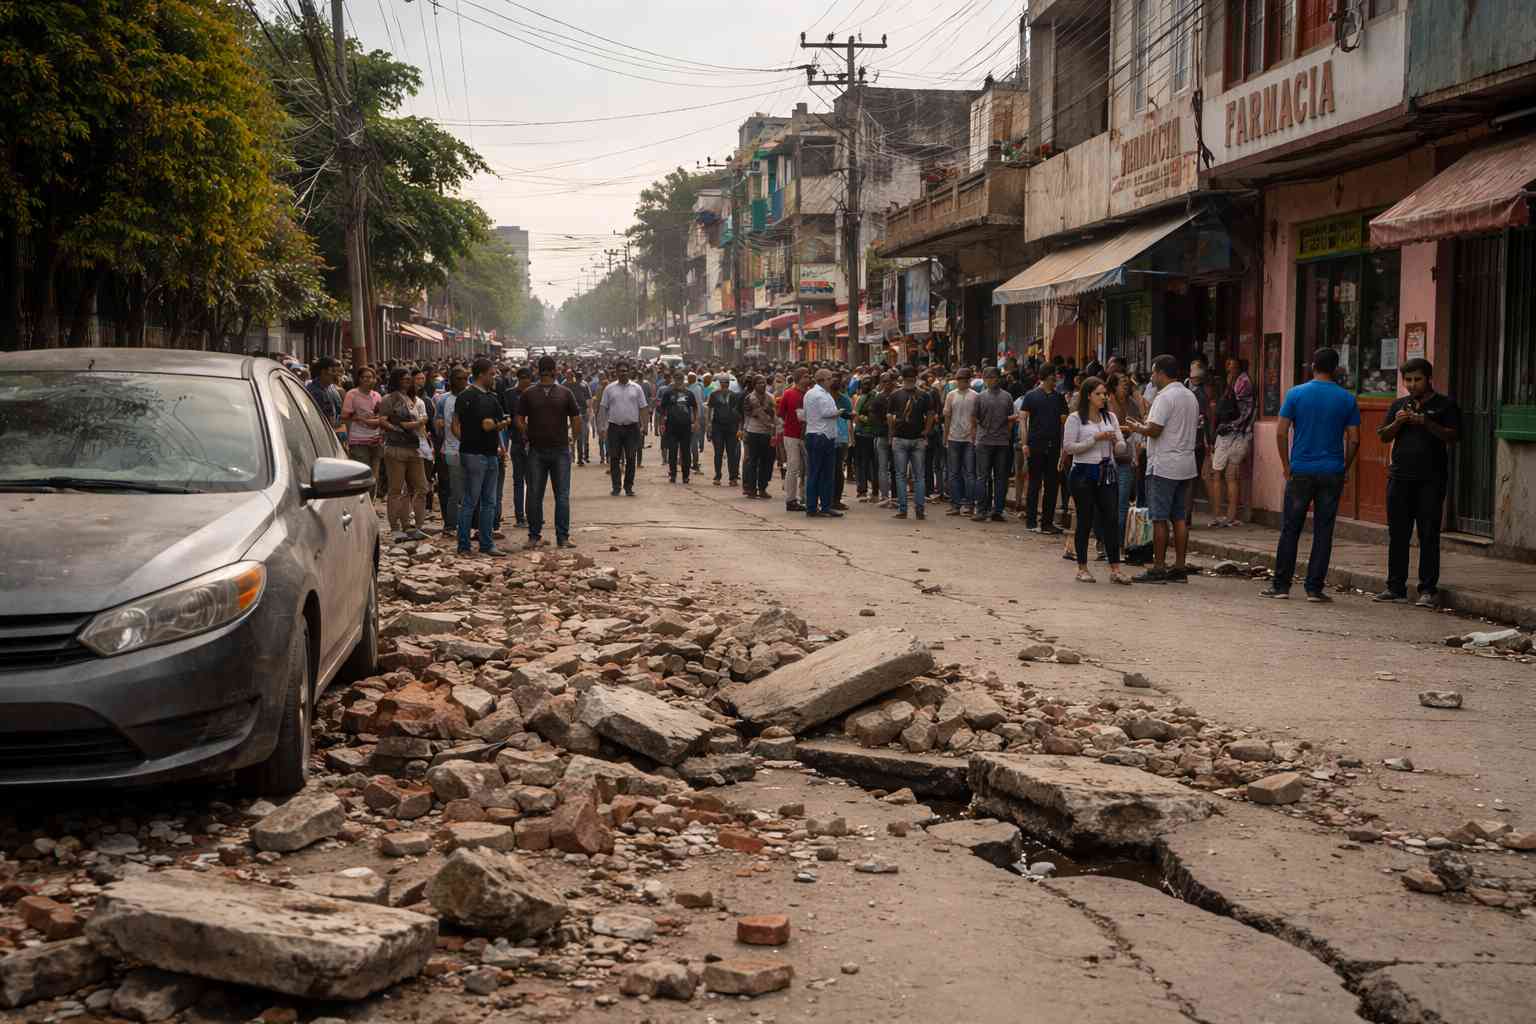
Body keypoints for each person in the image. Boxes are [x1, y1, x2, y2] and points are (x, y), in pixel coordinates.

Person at [1259, 347, 1361, 601]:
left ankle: (1281, 586)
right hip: (1332, 471)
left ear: (1313, 366)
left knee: (1290, 528)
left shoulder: (1296, 394)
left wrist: (1286, 465)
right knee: (1323, 531)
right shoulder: (1347, 398)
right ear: (1336, 369)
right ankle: (1314, 588)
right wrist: (1344, 467)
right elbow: (1354, 439)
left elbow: (1281, 432)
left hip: (1301, 470)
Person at [1374, 357, 1460, 607]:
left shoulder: (1445, 405)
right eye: (1408, 380)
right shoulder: (1399, 404)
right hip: (1400, 478)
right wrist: (1398, 422)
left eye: (1417, 379)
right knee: (1398, 534)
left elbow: (1454, 436)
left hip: (1431, 480)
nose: (1412, 384)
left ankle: (1428, 590)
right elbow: (1383, 435)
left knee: (1428, 534)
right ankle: (1395, 588)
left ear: (1428, 379)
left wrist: (1426, 422)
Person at [1125, 355, 1200, 583]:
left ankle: (1158, 567)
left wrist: (1138, 427)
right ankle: (1179, 567)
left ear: (1161, 373)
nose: (1152, 377)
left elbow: (1154, 429)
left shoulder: (1164, 397)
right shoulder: (1190, 395)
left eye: (1153, 372)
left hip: (1164, 465)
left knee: (1159, 518)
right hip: (1186, 464)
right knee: (1179, 518)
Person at [1063, 376, 1132, 584]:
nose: (1103, 397)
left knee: (1111, 519)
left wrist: (1117, 442)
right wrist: (1095, 439)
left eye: (1104, 394)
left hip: (1107, 471)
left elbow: (1121, 447)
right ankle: (1082, 567)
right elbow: (1069, 447)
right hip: (1083, 472)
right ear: (1088, 395)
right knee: (1085, 519)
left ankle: (1115, 568)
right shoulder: (1076, 418)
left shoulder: (1110, 418)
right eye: (1098, 394)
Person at [517, 355, 583, 549]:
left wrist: (527, 432)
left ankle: (534, 536)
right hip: (556, 450)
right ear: (555, 371)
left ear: (538, 371)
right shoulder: (564, 393)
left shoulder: (530, 393)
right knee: (560, 495)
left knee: (535, 494)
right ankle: (562, 537)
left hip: (540, 450)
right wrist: (573, 439)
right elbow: (577, 418)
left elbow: (518, 419)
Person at [452, 358, 512, 556]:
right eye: (491, 374)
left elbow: (500, 421)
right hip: (473, 455)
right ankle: (464, 545)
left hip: (491, 454)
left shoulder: (492, 398)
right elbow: (455, 424)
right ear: (481, 375)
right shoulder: (466, 396)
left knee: (489, 501)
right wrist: (467, 442)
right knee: (470, 501)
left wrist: (500, 431)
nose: (493, 377)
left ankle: (487, 543)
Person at [378, 367, 430, 542]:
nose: (408, 381)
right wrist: (399, 429)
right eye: (404, 379)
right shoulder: (389, 399)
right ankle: (396, 527)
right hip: (396, 447)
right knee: (396, 489)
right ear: (396, 380)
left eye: (409, 379)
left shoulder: (413, 399)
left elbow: (420, 422)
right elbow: (382, 420)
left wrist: (417, 426)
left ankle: (414, 526)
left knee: (421, 487)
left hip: (415, 447)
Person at [1020, 364, 1067, 533]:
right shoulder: (1031, 396)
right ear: (1048, 377)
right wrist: (1025, 443)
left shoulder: (1059, 398)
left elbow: (1064, 424)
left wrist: (1063, 447)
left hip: (1052, 446)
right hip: (1036, 445)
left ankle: (1045, 522)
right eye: (1054, 376)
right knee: (1035, 484)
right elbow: (1023, 421)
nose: (1056, 380)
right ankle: (1033, 521)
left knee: (1051, 485)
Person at [1210, 356, 1256, 527]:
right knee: (1228, 475)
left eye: (1232, 367)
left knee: (1221, 474)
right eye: (1228, 366)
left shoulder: (1240, 384)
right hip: (1238, 434)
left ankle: (1222, 515)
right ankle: (1227, 516)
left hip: (1233, 435)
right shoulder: (1240, 383)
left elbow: (1236, 411)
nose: (1229, 370)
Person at [886, 365, 935, 521]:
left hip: (900, 438)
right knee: (919, 476)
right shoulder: (924, 395)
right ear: (916, 378)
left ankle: (903, 510)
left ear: (902, 378)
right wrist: (926, 431)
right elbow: (931, 414)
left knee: (900, 476)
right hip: (918, 439)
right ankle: (919, 510)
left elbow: (889, 417)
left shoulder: (895, 395)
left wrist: (891, 434)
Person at [973, 366, 1014, 523]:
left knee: (983, 477)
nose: (991, 380)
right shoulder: (1007, 397)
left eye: (991, 378)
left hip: (985, 441)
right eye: (989, 378)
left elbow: (974, 419)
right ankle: (997, 510)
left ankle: (982, 510)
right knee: (999, 478)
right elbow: (1010, 419)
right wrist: (1006, 433)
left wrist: (976, 436)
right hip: (1000, 441)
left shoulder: (981, 397)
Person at [601, 363, 646, 497]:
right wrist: (602, 427)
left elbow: (643, 407)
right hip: (614, 427)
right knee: (614, 457)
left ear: (629, 372)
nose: (623, 373)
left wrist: (644, 425)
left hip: (632, 428)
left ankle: (628, 487)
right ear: (616, 372)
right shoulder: (609, 389)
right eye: (620, 371)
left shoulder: (636, 388)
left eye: (625, 371)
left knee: (631, 458)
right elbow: (603, 408)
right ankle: (616, 487)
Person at [801, 368, 841, 517]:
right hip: (821, 436)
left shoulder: (813, 393)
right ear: (822, 380)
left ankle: (822, 506)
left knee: (819, 473)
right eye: (829, 378)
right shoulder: (819, 394)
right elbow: (826, 413)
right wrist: (839, 412)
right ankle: (817, 507)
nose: (832, 381)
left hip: (818, 434)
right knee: (821, 473)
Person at [436, 366, 469, 537]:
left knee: (470, 491)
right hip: (451, 450)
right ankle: (450, 525)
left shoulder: (472, 396)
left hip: (472, 450)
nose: (462, 382)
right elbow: (438, 424)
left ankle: (468, 525)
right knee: (455, 491)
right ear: (451, 381)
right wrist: (439, 425)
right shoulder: (443, 400)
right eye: (459, 379)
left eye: (465, 378)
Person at [342, 366, 384, 494]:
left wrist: (375, 420)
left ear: (375, 379)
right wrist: (361, 419)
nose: (367, 380)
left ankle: (372, 501)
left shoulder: (377, 395)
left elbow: (381, 415)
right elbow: (345, 416)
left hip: (376, 439)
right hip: (358, 440)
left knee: (374, 476)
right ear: (359, 379)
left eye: (370, 377)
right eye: (364, 377)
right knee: (362, 474)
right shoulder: (352, 394)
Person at [943, 366, 979, 518]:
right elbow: (947, 417)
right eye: (958, 380)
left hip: (969, 439)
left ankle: (969, 505)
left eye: (963, 380)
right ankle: (955, 504)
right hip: (953, 438)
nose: (960, 382)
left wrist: (975, 435)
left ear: (968, 381)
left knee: (969, 473)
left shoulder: (975, 396)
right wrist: (945, 437)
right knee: (953, 473)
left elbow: (977, 418)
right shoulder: (951, 395)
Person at [658, 370, 699, 484]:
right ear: (674, 380)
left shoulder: (689, 394)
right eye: (676, 379)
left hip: (686, 427)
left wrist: (696, 421)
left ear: (683, 380)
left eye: (680, 379)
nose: (678, 381)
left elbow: (695, 407)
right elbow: (662, 409)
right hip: (671, 426)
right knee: (672, 451)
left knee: (686, 452)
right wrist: (661, 424)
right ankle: (673, 474)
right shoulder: (668, 393)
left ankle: (686, 475)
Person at [742, 374, 777, 500]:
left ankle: (762, 488)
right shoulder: (750, 398)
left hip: (767, 433)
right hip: (753, 432)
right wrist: (744, 431)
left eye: (763, 382)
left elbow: (774, 414)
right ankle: (751, 489)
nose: (762, 385)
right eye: (759, 383)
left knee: (766, 462)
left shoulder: (770, 397)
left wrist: (774, 428)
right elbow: (749, 415)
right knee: (753, 461)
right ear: (754, 385)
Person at [778, 370, 808, 512]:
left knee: (807, 468)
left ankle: (805, 497)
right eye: (805, 376)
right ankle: (791, 499)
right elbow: (780, 415)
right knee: (793, 467)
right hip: (791, 436)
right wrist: (785, 427)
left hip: (807, 436)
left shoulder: (809, 394)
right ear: (798, 379)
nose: (808, 378)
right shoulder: (788, 394)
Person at [708, 378, 742, 486]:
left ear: (729, 384)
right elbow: (710, 409)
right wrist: (709, 425)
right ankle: (717, 476)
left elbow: (738, 412)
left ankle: (733, 477)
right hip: (717, 426)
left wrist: (739, 427)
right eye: (723, 382)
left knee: (731, 453)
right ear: (720, 383)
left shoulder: (734, 395)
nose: (724, 384)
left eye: (726, 382)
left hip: (731, 427)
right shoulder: (714, 395)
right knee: (718, 452)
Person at [831, 373, 853, 511]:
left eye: (837, 380)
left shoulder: (844, 399)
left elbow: (849, 417)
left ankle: (836, 500)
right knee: (828, 469)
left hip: (841, 438)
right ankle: (826, 499)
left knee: (838, 469)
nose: (835, 382)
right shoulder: (823, 397)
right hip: (826, 437)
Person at [305, 356, 343, 434]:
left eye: (339, 371)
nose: (337, 375)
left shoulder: (332, 388)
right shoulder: (314, 391)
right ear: (323, 372)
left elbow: (339, 413)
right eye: (333, 371)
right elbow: (328, 423)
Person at [565, 368, 592, 466]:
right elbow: (589, 400)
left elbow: (589, 400)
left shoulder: (582, 385)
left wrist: (589, 412)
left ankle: (580, 457)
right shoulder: (567, 385)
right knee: (577, 437)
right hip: (573, 415)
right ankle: (577, 458)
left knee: (579, 436)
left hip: (580, 414)